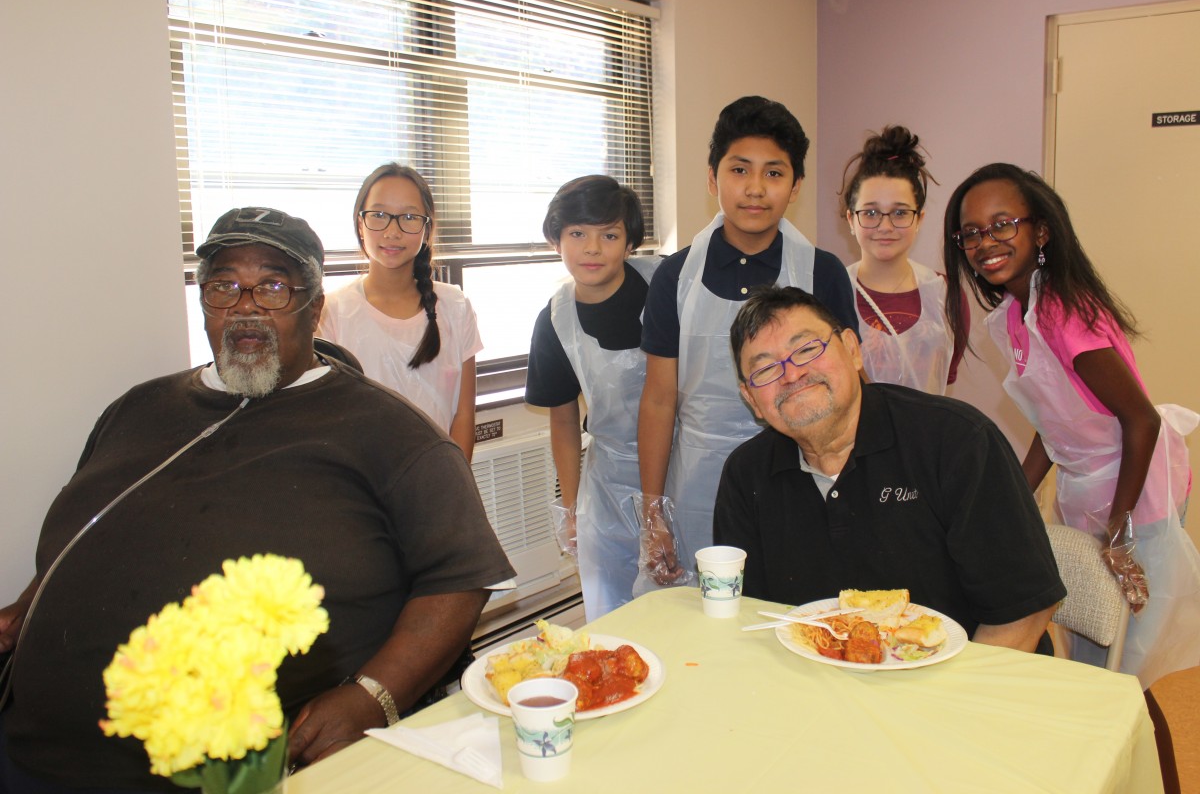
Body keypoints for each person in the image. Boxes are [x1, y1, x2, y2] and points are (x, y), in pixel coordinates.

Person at [0, 207, 515, 791]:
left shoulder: (394, 435)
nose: (245, 305)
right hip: (30, 752)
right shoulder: (137, 408)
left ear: (315, 309)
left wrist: (370, 699)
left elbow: (459, 578)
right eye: (224, 285)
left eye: (273, 285)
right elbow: (94, 523)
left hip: (231, 776)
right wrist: (29, 604)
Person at [943, 163, 1200, 686]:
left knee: (1128, 668)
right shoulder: (1015, 316)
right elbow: (1051, 424)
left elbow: (1140, 419)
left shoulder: (1064, 311)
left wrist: (1120, 530)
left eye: (1001, 224)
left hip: (1135, 487)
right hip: (1087, 489)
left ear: (1040, 231)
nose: (984, 241)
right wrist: (1011, 497)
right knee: (1088, 654)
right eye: (970, 232)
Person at [713, 285, 1065, 651]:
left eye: (805, 350)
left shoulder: (956, 442)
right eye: (766, 369)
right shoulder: (746, 476)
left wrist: (952, 704)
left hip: (963, 687)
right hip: (818, 689)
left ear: (852, 350)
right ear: (752, 399)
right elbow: (749, 617)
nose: (791, 375)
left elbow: (1023, 612)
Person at [638, 96, 855, 590]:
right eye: (739, 170)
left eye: (774, 174)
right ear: (713, 178)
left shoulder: (822, 271)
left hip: (804, 473)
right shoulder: (675, 275)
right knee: (701, 618)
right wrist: (654, 512)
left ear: (795, 186)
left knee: (801, 608)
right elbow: (657, 399)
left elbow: (849, 391)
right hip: (698, 478)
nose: (755, 188)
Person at [525, 176, 658, 621]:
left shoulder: (666, 288)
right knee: (613, 612)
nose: (593, 248)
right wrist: (570, 507)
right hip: (609, 482)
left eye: (610, 235)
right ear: (555, 240)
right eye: (578, 234)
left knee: (681, 604)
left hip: (680, 468)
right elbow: (563, 420)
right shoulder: (554, 320)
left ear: (630, 241)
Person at [319, 163, 481, 460]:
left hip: (439, 482)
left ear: (426, 228)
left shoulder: (455, 306)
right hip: (363, 489)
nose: (392, 231)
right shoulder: (332, 311)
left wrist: (454, 490)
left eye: (408, 217)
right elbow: (329, 424)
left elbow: (463, 415)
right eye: (379, 215)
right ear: (360, 225)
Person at [839, 125, 964, 394]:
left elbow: (944, 378)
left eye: (900, 213)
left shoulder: (946, 296)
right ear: (851, 219)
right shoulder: (831, 291)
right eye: (870, 213)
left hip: (929, 435)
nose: (885, 226)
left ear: (919, 219)